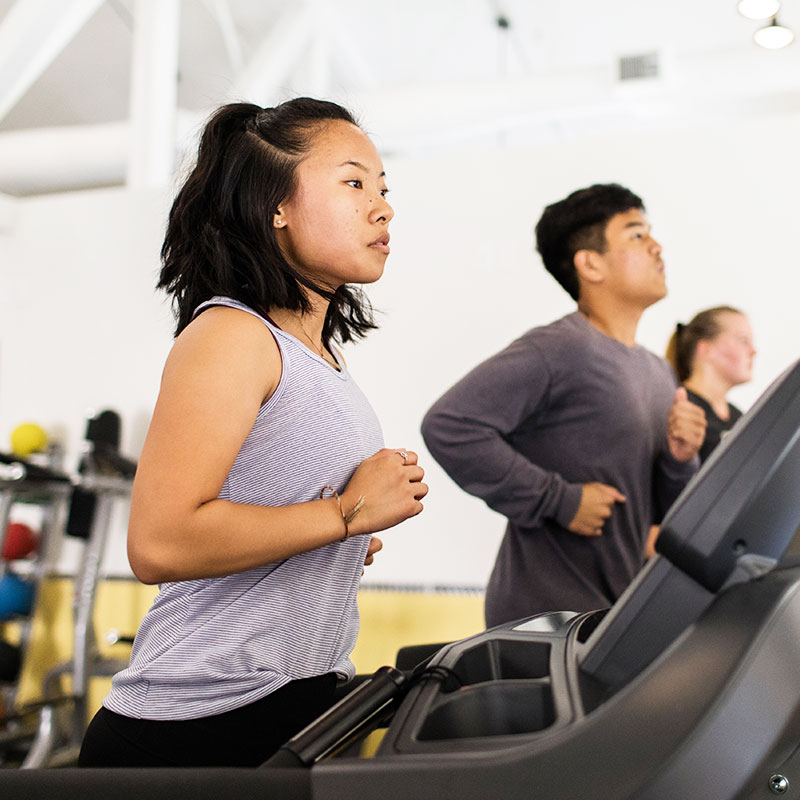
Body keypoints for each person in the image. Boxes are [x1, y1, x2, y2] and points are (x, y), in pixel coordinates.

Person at [79, 98, 428, 768]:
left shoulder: (319, 356)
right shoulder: (232, 337)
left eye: (384, 190)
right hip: (196, 722)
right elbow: (159, 543)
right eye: (354, 183)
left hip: (292, 699)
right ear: (276, 206)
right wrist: (342, 513)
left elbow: (265, 516)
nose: (382, 208)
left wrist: (335, 538)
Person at [421, 183, 706, 628]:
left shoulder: (658, 372)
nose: (656, 246)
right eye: (636, 235)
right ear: (590, 263)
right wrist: (561, 500)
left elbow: (660, 514)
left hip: (615, 613)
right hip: (544, 617)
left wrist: (680, 459)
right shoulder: (558, 348)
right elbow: (449, 425)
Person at [665, 306, 755, 462]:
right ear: (706, 349)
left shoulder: (741, 419)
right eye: (743, 341)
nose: (753, 351)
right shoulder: (676, 407)